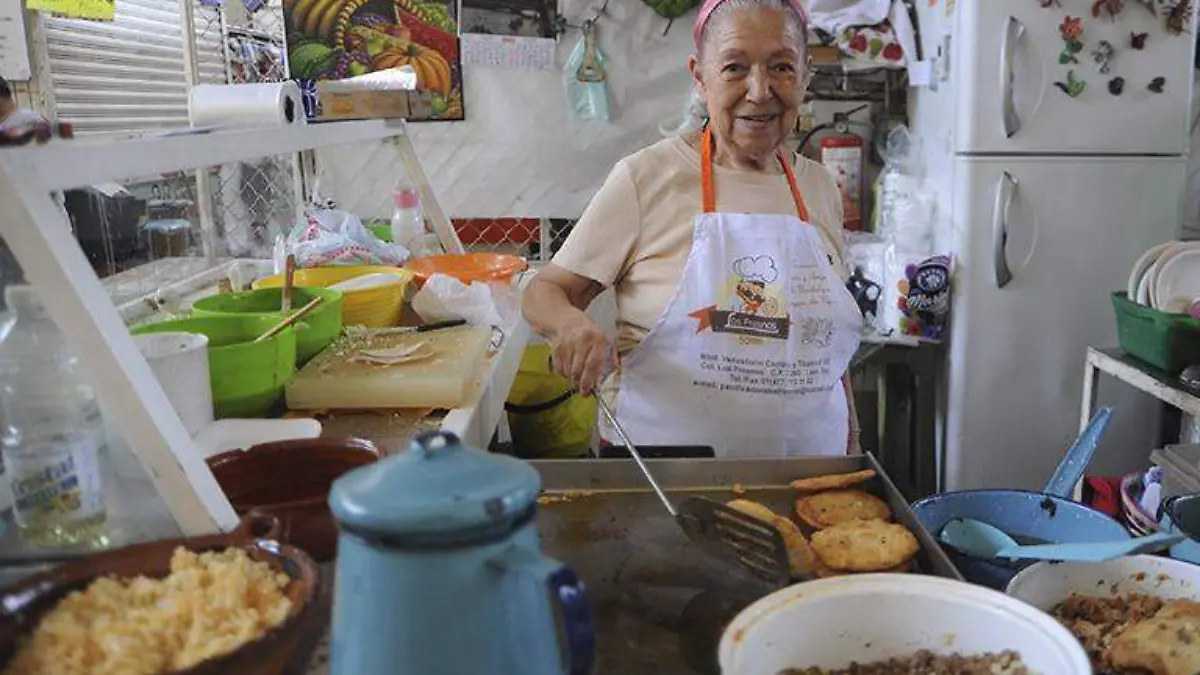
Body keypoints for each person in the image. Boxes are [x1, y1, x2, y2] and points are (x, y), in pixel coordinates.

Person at [522, 0, 863, 458]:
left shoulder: (819, 187)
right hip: (664, 477)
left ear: (805, 76)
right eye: (734, 68)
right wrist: (569, 325)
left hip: (812, 473)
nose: (759, 91)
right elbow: (544, 290)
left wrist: (852, 438)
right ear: (700, 77)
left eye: (781, 67)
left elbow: (826, 344)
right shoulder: (646, 177)